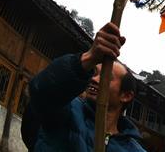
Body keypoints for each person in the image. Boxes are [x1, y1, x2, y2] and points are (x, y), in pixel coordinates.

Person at [21, 22, 147, 151]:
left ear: (126, 95)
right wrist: (89, 58)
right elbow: (40, 92)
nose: (93, 79)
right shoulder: (67, 110)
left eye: (105, 77)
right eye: (94, 73)